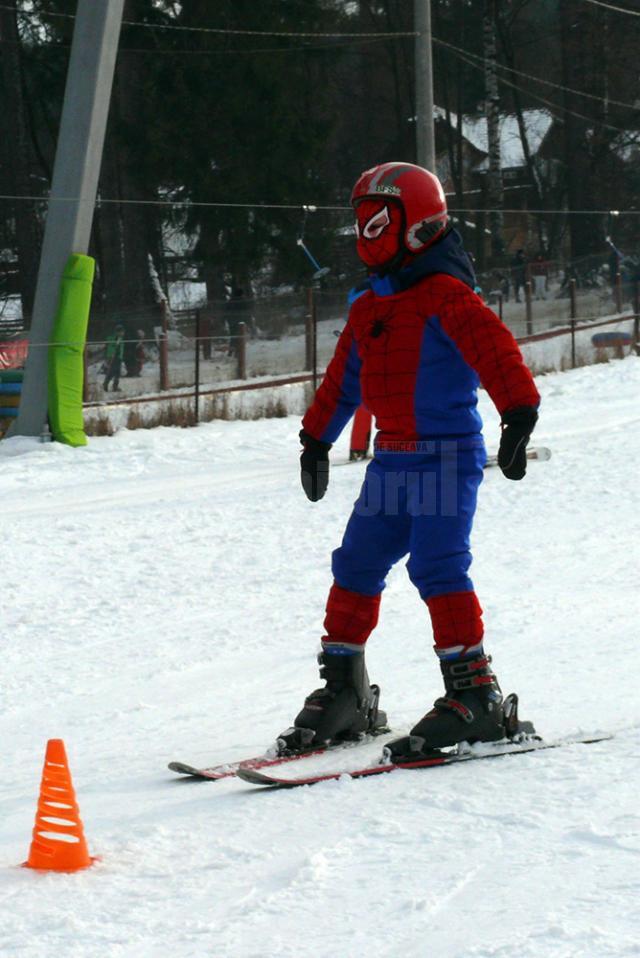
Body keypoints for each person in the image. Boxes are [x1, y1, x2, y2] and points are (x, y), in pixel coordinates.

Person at [278, 162, 540, 761]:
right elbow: (343, 381)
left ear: (417, 226)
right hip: (390, 465)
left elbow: (496, 351)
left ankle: (475, 694)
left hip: (445, 460)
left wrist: (518, 415)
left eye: (379, 223)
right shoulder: (369, 309)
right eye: (361, 223)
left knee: (438, 565)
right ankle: (345, 688)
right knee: (356, 562)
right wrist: (316, 438)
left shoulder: (447, 297)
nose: (366, 236)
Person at [103, 324, 125, 392]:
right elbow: (112, 347)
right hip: (113, 357)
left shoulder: (120, 338)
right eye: (122, 332)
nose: (123, 333)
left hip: (118, 357)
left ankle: (115, 386)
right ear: (118, 332)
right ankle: (106, 383)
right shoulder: (114, 338)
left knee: (117, 372)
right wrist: (110, 355)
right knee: (112, 371)